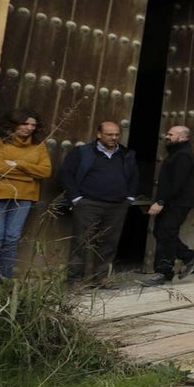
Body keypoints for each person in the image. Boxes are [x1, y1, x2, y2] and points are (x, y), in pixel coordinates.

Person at [59, 120, 139, 286]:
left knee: (109, 242)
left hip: (117, 205)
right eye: (109, 134)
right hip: (89, 203)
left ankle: (102, 278)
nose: (114, 138)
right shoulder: (82, 152)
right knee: (81, 241)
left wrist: (129, 198)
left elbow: (134, 176)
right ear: (99, 134)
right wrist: (76, 198)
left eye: (117, 134)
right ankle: (74, 280)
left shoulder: (126, 154)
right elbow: (66, 174)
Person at [0, 108, 52, 278]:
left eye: (33, 125)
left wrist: (18, 164)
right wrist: (29, 175)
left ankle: (4, 282)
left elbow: (45, 171)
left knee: (11, 239)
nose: (29, 128)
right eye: (25, 123)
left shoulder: (38, 145)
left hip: (24, 197)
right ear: (13, 124)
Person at [140, 125, 194, 287]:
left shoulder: (183, 155)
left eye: (171, 134)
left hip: (177, 203)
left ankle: (173, 266)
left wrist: (161, 202)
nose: (167, 136)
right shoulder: (176, 153)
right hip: (173, 202)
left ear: (183, 137)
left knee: (165, 233)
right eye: (167, 134)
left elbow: (177, 183)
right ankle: (171, 268)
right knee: (162, 233)